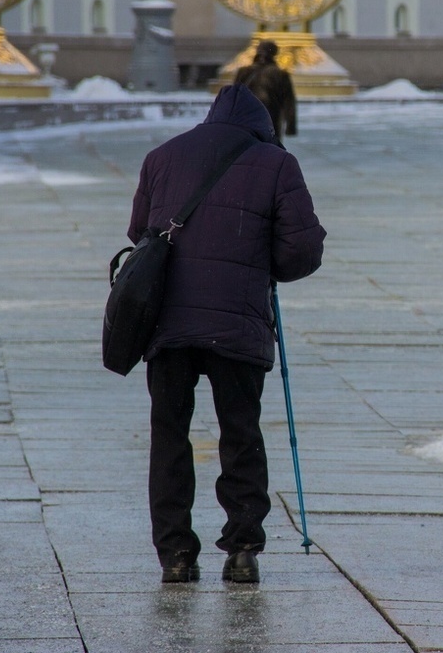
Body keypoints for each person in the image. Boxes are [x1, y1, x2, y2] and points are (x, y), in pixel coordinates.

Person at [126, 83, 325, 584]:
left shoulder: (162, 156)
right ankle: (241, 550)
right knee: (240, 433)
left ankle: (175, 553)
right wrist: (261, 262)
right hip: (237, 324)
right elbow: (302, 251)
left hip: (169, 322)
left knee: (169, 434)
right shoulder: (277, 164)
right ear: (262, 127)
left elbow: (140, 232)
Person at [233, 39, 298, 138]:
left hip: (246, 119)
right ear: (275, 53)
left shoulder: (243, 72)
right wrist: (290, 126)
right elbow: (288, 101)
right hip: (271, 119)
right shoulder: (280, 74)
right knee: (269, 149)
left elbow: (233, 97)